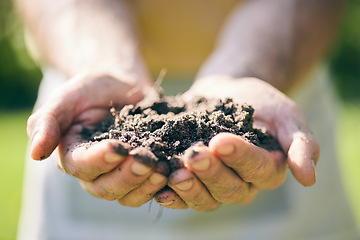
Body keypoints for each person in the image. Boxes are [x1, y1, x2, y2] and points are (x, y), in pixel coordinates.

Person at [15, 0, 359, 239]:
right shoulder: (92, 102)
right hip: (93, 96)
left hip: (270, 86)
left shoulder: (257, 99)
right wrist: (103, 65)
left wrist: (247, 70)